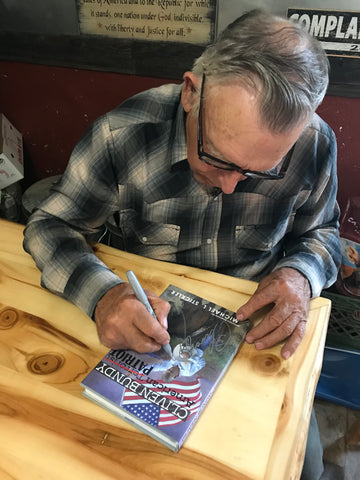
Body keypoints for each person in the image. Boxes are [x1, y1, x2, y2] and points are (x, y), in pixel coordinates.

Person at [23, 10, 341, 479]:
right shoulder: (123, 134)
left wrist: (299, 275)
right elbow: (50, 227)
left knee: (300, 466)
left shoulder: (313, 144)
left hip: (253, 335)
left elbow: (325, 235)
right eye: (216, 157)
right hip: (148, 328)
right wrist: (104, 296)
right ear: (192, 91)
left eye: (260, 171)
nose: (232, 187)